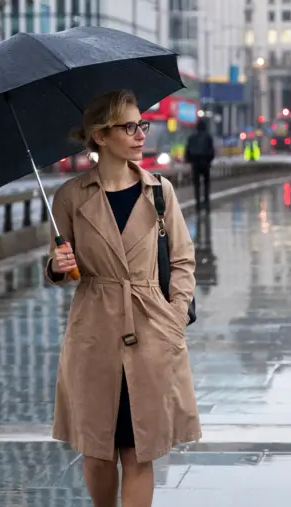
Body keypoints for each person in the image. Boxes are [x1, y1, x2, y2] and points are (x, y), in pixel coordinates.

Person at [46, 90, 201, 507]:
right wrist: (60, 265)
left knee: (138, 451)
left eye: (141, 125)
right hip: (94, 331)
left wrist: (175, 314)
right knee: (97, 451)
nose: (139, 134)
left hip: (151, 328)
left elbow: (183, 258)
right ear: (100, 135)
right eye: (129, 126)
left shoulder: (158, 192)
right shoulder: (70, 197)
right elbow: (60, 266)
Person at [185, 119, 215, 212]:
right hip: (205, 163)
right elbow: (212, 151)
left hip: (195, 164)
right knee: (206, 184)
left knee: (197, 185)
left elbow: (187, 151)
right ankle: (206, 202)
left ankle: (197, 203)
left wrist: (189, 161)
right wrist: (209, 161)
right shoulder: (208, 137)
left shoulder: (192, 137)